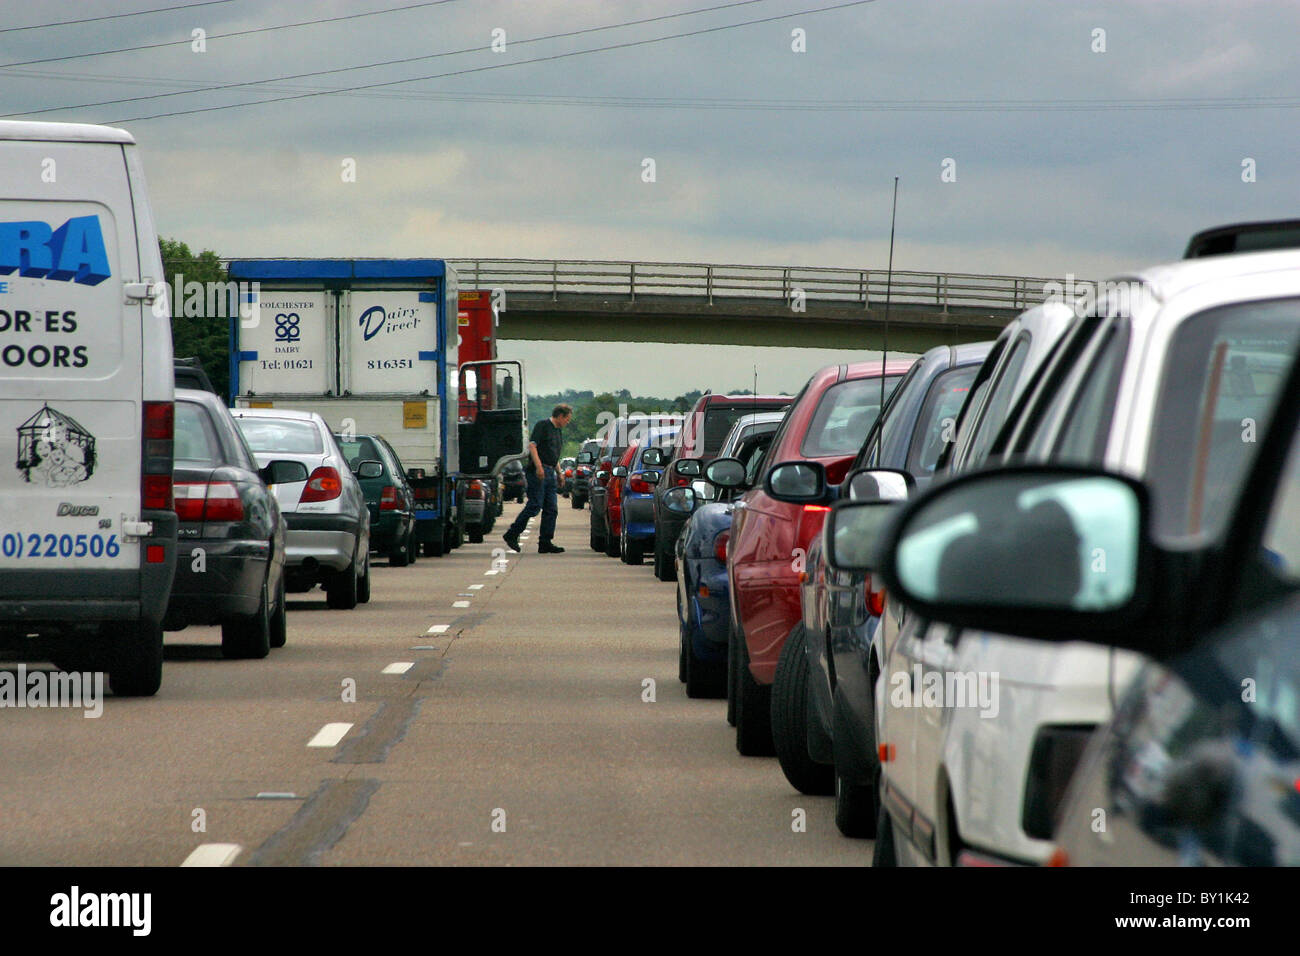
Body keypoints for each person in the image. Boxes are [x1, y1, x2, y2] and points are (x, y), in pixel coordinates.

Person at [503, 404, 573, 554]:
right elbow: (532, 446)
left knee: (551, 509)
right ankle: (512, 534)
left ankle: (545, 542)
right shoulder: (543, 425)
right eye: (567, 419)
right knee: (535, 505)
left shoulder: (558, 431)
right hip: (538, 472)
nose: (568, 422)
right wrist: (539, 467)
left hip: (550, 472)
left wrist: (559, 473)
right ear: (560, 416)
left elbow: (554, 455)